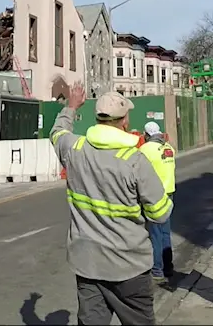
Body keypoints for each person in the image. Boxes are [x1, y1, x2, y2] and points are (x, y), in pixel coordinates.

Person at [50, 83, 173, 326]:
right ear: (124, 121)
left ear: (98, 118)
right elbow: (160, 214)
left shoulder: (75, 149)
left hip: (88, 266)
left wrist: (71, 106)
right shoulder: (135, 161)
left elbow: (57, 132)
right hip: (130, 268)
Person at [139, 121, 177, 283]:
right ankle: (168, 266)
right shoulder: (169, 148)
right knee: (165, 232)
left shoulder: (145, 150)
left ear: (146, 135)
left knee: (154, 233)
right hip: (169, 193)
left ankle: (157, 269)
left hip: (154, 194)